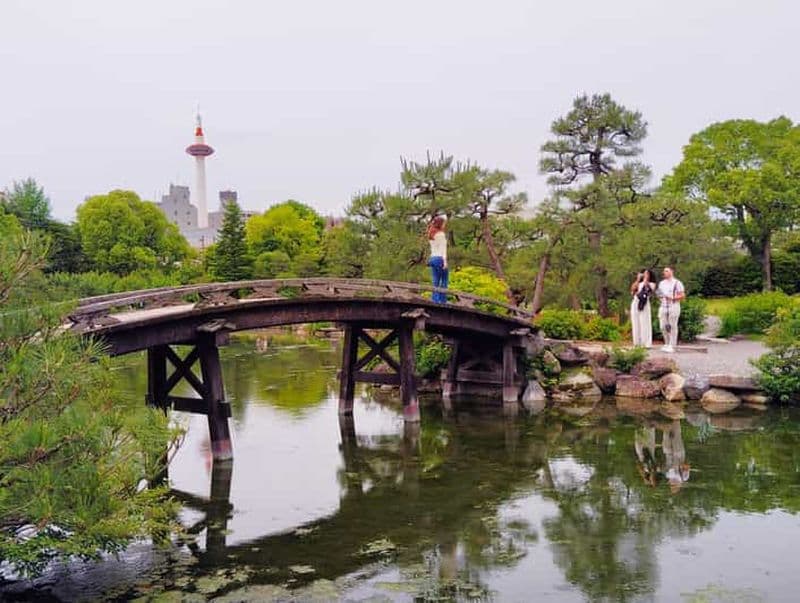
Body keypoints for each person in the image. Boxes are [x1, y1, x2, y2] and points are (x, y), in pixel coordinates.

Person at [656, 266, 685, 353]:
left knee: (672, 325)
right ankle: (666, 343)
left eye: (667, 271)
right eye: (664, 271)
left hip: (674, 306)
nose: (664, 272)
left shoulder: (677, 283)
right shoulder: (662, 283)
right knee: (663, 326)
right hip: (663, 306)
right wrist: (660, 297)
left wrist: (672, 298)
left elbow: (682, 295)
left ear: (672, 272)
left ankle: (672, 345)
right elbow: (658, 293)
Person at [630, 269, 655, 347]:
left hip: (644, 303)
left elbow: (649, 290)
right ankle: (637, 343)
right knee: (635, 322)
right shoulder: (639, 283)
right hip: (635, 302)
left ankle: (646, 343)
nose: (644, 274)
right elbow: (632, 290)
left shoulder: (652, 283)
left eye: (646, 273)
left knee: (644, 322)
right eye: (644, 273)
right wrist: (638, 279)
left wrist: (645, 279)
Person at [427, 215, 449, 303]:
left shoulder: (431, 234)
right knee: (444, 280)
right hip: (439, 258)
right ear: (441, 224)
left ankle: (435, 299)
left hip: (432, 258)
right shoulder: (441, 234)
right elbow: (443, 249)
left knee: (435, 280)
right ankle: (442, 300)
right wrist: (445, 261)